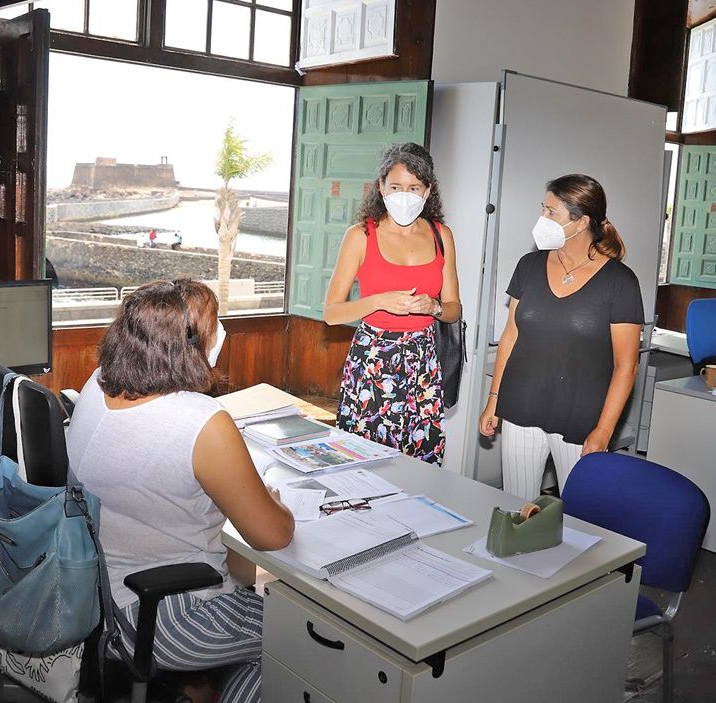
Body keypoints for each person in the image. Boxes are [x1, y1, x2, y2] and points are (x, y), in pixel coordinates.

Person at [66, 279, 293, 703]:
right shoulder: (200, 420)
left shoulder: (98, 384)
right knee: (304, 638)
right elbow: (273, 535)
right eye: (213, 327)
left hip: (104, 606)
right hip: (172, 620)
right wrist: (277, 505)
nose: (219, 335)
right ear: (186, 344)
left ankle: (198, 687)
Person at [479, 174, 643, 498]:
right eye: (543, 209)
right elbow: (510, 336)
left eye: (551, 212)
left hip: (582, 419)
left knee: (578, 521)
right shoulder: (529, 265)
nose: (542, 219)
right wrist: (493, 400)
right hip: (520, 407)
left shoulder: (620, 281)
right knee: (517, 510)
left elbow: (627, 366)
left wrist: (604, 430)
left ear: (580, 222)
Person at [323, 142, 461, 465]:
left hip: (422, 363)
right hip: (372, 361)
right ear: (381, 187)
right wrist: (378, 302)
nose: (404, 194)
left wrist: (435, 308)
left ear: (428, 191)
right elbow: (331, 312)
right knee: (364, 462)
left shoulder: (442, 236)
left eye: (414, 187)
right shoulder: (360, 236)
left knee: (421, 461)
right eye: (396, 186)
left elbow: (454, 307)